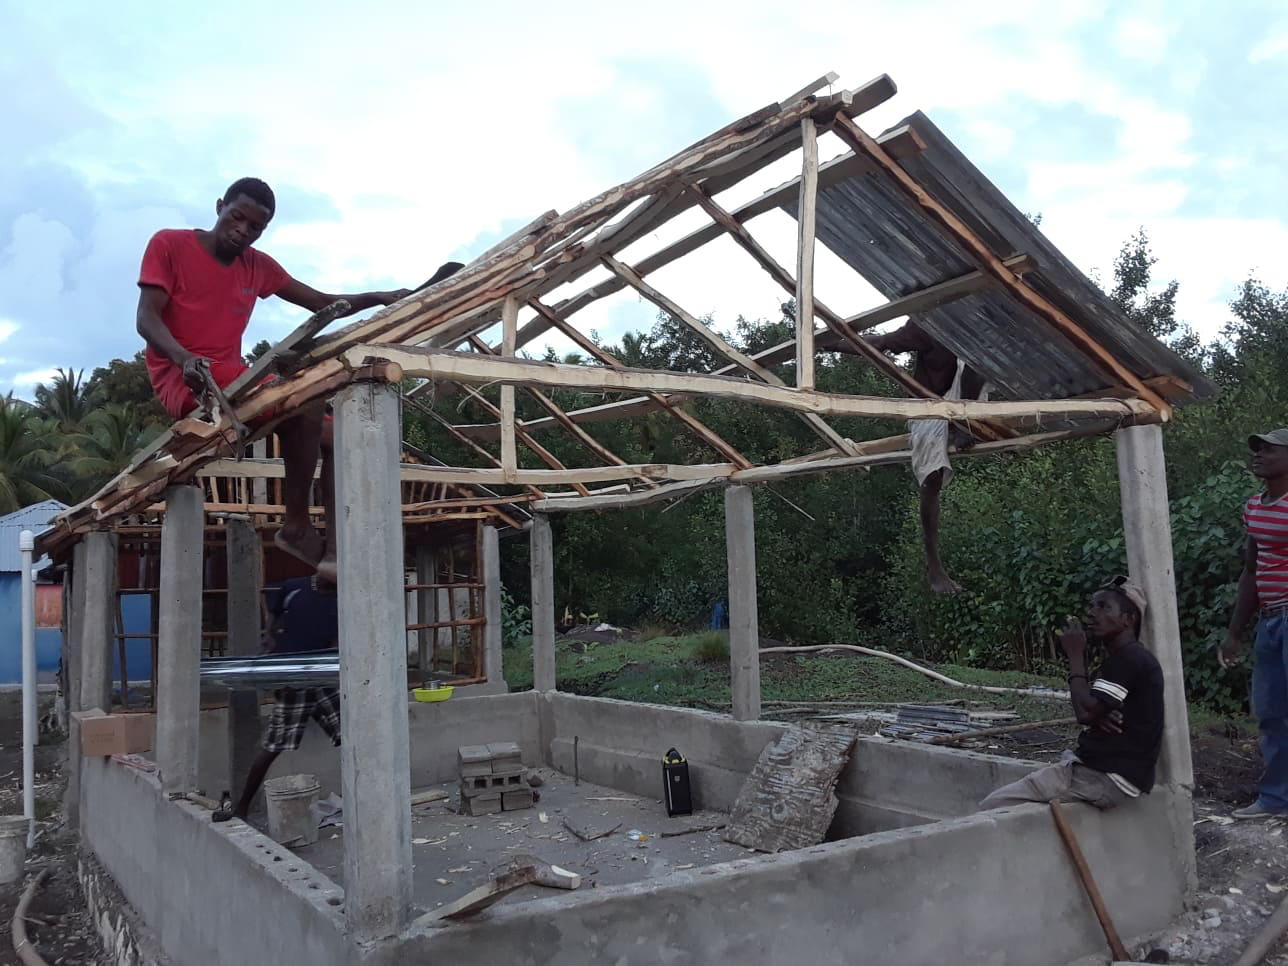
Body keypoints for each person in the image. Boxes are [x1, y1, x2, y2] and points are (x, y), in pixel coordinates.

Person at [136, 177, 411, 582]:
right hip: (188, 381)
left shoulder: (257, 266)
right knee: (308, 398)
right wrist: (182, 358)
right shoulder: (169, 244)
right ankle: (297, 525)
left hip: (236, 380)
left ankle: (331, 549)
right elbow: (146, 318)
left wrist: (381, 297)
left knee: (341, 436)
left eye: (255, 228)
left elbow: (321, 303)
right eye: (237, 218)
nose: (242, 231)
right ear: (219, 207)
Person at [980, 577, 1164, 810]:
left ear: (1129, 619)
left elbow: (1084, 712)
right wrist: (1098, 712)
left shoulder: (1131, 658)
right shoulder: (1125, 659)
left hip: (1103, 776)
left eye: (1104, 607)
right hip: (1106, 773)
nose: (1092, 613)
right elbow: (1093, 709)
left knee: (994, 806)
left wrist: (1075, 655)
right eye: (1092, 606)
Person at [861, 319, 988, 594]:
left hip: (967, 405)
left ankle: (963, 424)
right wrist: (829, 341)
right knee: (931, 479)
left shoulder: (974, 324)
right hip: (929, 406)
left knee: (976, 359)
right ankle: (934, 567)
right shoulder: (926, 325)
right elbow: (877, 343)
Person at [214, 575, 340, 822]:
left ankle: (373, 799)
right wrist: (269, 639)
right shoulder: (293, 588)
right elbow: (273, 619)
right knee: (273, 747)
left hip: (323, 678)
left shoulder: (340, 598)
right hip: (293, 682)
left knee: (357, 735)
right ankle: (242, 808)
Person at [1219, 428, 1288, 818]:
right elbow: (1251, 570)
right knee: (1271, 711)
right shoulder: (1255, 507)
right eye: (1257, 449)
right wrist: (1234, 633)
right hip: (1270, 620)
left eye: (1269, 449)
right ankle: (1277, 800)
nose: (1259, 454)